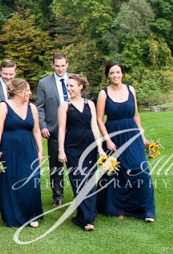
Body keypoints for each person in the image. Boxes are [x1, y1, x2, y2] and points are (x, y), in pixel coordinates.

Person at [96, 61, 155, 222]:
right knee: (117, 173)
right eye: (112, 73)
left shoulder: (131, 90)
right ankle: (118, 209)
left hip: (132, 133)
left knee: (140, 169)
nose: (115, 75)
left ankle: (146, 210)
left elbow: (136, 115)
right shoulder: (103, 93)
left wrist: (142, 135)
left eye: (118, 72)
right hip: (113, 135)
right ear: (108, 75)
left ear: (122, 73)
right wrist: (107, 140)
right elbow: (99, 119)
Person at [0, 77, 44, 229]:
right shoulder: (3, 106)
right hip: (9, 148)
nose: (30, 93)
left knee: (32, 180)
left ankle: (31, 215)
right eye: (27, 90)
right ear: (18, 91)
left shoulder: (32, 108)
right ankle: (13, 214)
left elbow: (36, 130)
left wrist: (40, 150)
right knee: (11, 180)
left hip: (28, 148)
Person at [57, 73, 102, 231]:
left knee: (89, 179)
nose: (68, 88)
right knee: (79, 180)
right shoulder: (65, 106)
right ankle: (87, 219)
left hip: (89, 145)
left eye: (71, 86)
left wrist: (100, 148)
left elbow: (94, 127)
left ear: (81, 87)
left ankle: (86, 216)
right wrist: (61, 150)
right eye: (67, 86)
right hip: (72, 147)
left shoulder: (90, 104)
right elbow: (62, 129)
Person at [35, 51, 70, 206]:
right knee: (56, 164)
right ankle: (58, 195)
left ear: (67, 64)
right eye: (57, 66)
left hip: (74, 128)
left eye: (63, 66)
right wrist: (43, 126)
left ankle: (80, 191)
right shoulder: (44, 83)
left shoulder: (75, 79)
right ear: (52, 65)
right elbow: (39, 107)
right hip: (53, 129)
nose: (60, 69)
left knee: (77, 162)